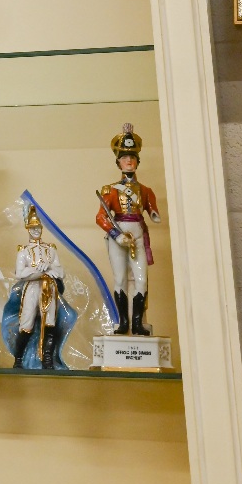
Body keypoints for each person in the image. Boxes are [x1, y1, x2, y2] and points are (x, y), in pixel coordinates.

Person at [95, 123, 161, 335]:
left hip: (138, 234)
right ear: (119, 162)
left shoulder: (145, 190)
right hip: (119, 234)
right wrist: (116, 234)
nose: (129, 161)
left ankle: (137, 323)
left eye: (132, 158)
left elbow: (152, 209)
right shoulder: (111, 189)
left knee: (141, 279)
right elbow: (101, 216)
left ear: (137, 162)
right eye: (125, 158)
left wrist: (153, 214)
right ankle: (123, 322)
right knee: (121, 278)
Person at [11, 206, 65, 368]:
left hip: (49, 288)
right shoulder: (23, 251)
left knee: (50, 322)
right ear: (28, 229)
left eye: (38, 228)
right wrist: (38, 270)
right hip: (32, 288)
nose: (36, 231)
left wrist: (49, 267)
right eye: (33, 228)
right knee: (26, 323)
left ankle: (47, 359)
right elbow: (20, 273)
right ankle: (18, 359)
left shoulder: (50, 250)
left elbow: (60, 271)